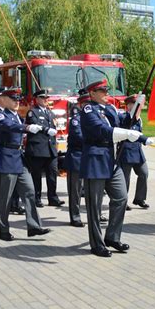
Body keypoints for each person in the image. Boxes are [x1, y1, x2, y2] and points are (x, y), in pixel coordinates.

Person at [79, 77, 140, 257]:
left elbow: (123, 124)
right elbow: (103, 130)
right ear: (92, 93)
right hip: (96, 163)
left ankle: (112, 236)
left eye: (106, 91)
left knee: (121, 198)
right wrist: (125, 132)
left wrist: (133, 114)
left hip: (112, 162)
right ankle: (96, 244)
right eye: (102, 91)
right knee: (94, 206)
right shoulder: (88, 110)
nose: (106, 94)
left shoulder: (109, 110)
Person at [0, 87, 50, 241]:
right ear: (4, 100)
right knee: (5, 198)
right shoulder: (1, 115)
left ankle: (34, 226)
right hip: (7, 159)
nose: (17, 102)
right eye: (13, 99)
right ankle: (3, 230)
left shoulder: (18, 116)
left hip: (19, 158)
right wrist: (26, 128)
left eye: (18, 100)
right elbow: (8, 126)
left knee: (29, 191)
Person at [24, 89, 65, 207]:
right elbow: (35, 125)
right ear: (37, 99)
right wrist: (47, 130)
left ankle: (53, 197)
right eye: (43, 98)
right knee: (36, 176)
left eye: (47, 98)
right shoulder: (33, 112)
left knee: (52, 174)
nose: (45, 100)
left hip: (50, 149)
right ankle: (36, 198)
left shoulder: (50, 113)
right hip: (38, 148)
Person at [120, 93, 153, 209]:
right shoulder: (124, 117)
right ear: (128, 106)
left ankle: (140, 198)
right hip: (127, 152)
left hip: (138, 151)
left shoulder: (139, 120)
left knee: (144, 173)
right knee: (125, 178)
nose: (136, 106)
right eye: (134, 104)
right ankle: (123, 201)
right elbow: (129, 121)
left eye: (137, 104)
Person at [64, 90, 90, 227]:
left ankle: (94, 214)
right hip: (77, 158)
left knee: (92, 189)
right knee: (75, 190)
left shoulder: (94, 117)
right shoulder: (76, 119)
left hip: (89, 158)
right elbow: (79, 136)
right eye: (86, 103)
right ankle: (75, 216)